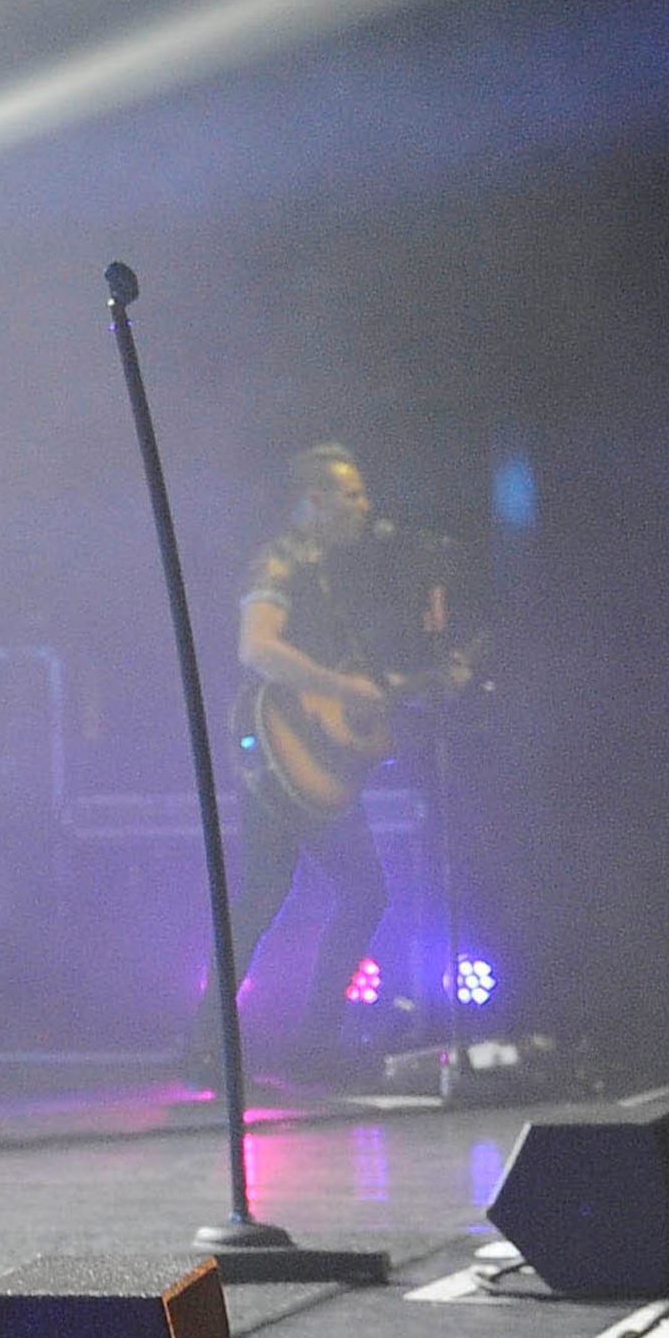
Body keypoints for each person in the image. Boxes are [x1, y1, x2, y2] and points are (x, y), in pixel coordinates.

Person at [196, 443, 453, 1082]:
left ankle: (228, 1044)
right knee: (337, 891)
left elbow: (344, 678)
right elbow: (257, 649)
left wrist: (413, 682)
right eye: (353, 494)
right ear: (317, 501)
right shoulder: (279, 563)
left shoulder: (330, 574)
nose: (366, 506)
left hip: (313, 757)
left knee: (271, 894)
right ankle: (281, 1045)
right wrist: (342, 692)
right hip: (282, 750)